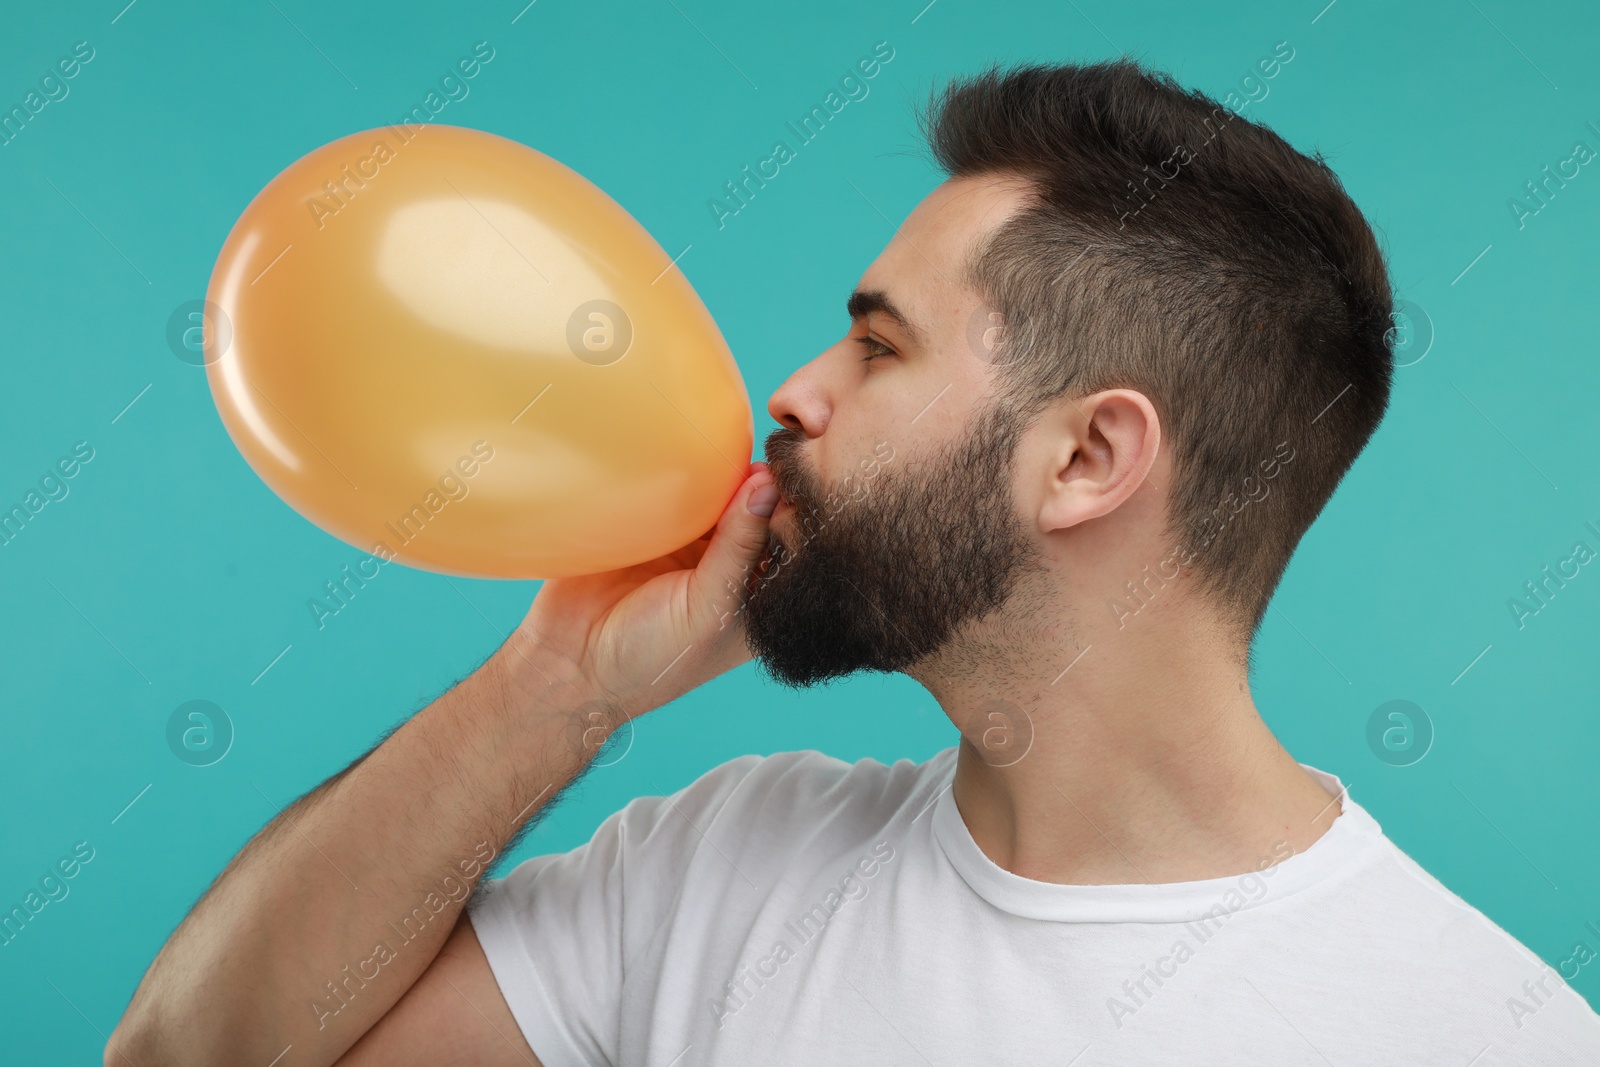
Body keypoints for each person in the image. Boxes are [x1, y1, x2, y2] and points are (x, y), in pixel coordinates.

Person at [107, 58, 1600, 1066]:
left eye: (878, 345)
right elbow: (187, 1054)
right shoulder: (721, 866)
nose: (794, 392)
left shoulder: (1488, 1029)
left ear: (1088, 459)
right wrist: (555, 682)